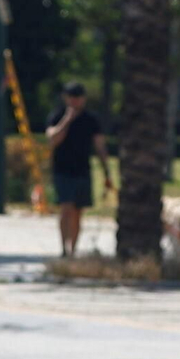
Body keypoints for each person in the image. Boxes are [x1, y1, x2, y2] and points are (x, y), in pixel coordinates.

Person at [44, 82, 112, 257]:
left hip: (82, 170)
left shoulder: (91, 120)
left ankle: (72, 249)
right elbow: (52, 140)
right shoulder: (57, 115)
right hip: (62, 170)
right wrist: (67, 120)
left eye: (78, 98)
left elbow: (100, 147)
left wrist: (107, 172)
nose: (75, 101)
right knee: (65, 208)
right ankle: (63, 249)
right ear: (66, 98)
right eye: (71, 98)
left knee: (77, 212)